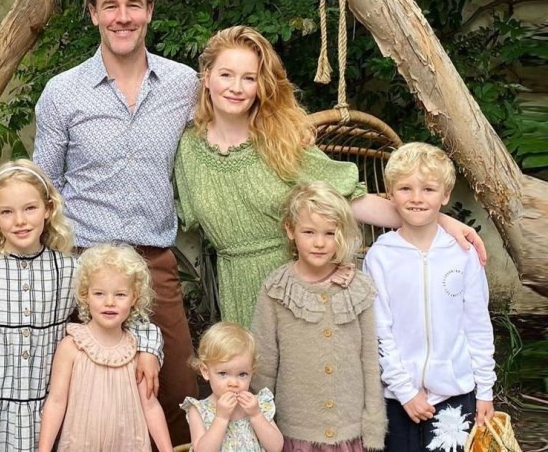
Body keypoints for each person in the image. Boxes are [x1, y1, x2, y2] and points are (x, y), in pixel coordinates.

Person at [174, 25, 487, 327]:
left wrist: (438, 221)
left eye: (249, 78)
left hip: (297, 286)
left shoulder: (280, 142)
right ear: (207, 77)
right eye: (226, 75)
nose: (236, 87)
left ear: (262, 86)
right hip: (235, 289)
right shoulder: (187, 149)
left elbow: (352, 199)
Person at [32, 0, 199, 445]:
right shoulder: (63, 93)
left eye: (133, 4)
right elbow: (44, 186)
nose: (122, 17)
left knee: (177, 392)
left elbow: (225, 144)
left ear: (150, 11)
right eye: (110, 5)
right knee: (84, 395)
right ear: (92, 13)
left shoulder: (184, 86)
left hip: (153, 262)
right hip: (82, 268)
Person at [0, 160, 162, 451]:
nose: (20, 221)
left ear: (48, 209)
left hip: (40, 417)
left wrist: (148, 348)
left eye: (30, 208)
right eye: (7, 212)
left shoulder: (69, 270)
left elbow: (117, 310)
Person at [362, 142, 496, 452]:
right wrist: (405, 391)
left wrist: (485, 390)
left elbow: (477, 324)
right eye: (405, 188)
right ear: (390, 194)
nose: (417, 198)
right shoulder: (380, 257)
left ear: (445, 195)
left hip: (455, 393)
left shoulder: (463, 254)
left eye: (428, 189)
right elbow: (378, 330)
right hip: (397, 397)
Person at [251, 181, 386, 451]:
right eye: (309, 232)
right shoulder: (276, 289)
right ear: (290, 230)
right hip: (295, 432)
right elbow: (264, 362)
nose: (320, 243)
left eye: (330, 233)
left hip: (349, 432)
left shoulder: (358, 288)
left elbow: (370, 361)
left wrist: (373, 428)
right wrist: (262, 426)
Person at [38, 244, 173, 451]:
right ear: (85, 295)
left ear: (134, 298)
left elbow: (150, 406)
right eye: (99, 293)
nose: (110, 302)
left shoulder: (136, 351)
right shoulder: (71, 347)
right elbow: (56, 402)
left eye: (120, 295)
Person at [181, 322, 284, 452]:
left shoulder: (258, 404)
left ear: (251, 373)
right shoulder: (199, 411)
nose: (233, 383)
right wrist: (221, 419)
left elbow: (276, 447)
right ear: (206, 371)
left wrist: (256, 415)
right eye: (223, 373)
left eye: (242, 374)